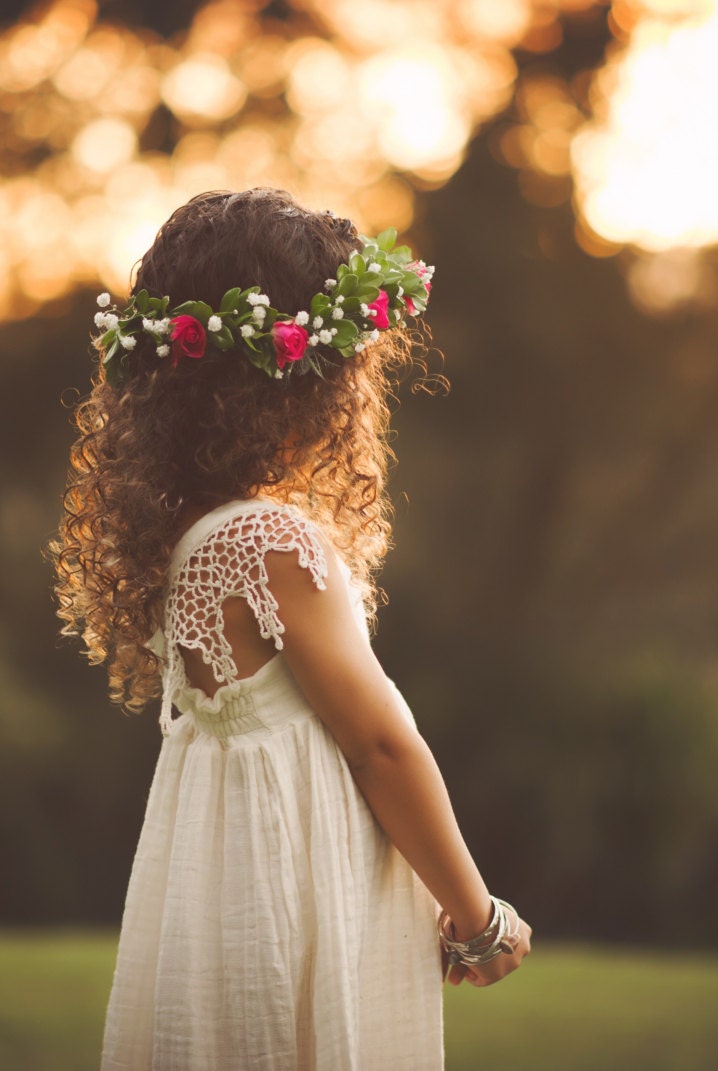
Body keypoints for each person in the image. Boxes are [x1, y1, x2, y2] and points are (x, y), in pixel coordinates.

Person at [52, 187, 530, 1070]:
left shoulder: (194, 535)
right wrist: (476, 915)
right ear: (300, 381)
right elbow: (380, 743)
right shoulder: (265, 539)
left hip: (234, 872)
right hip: (290, 889)